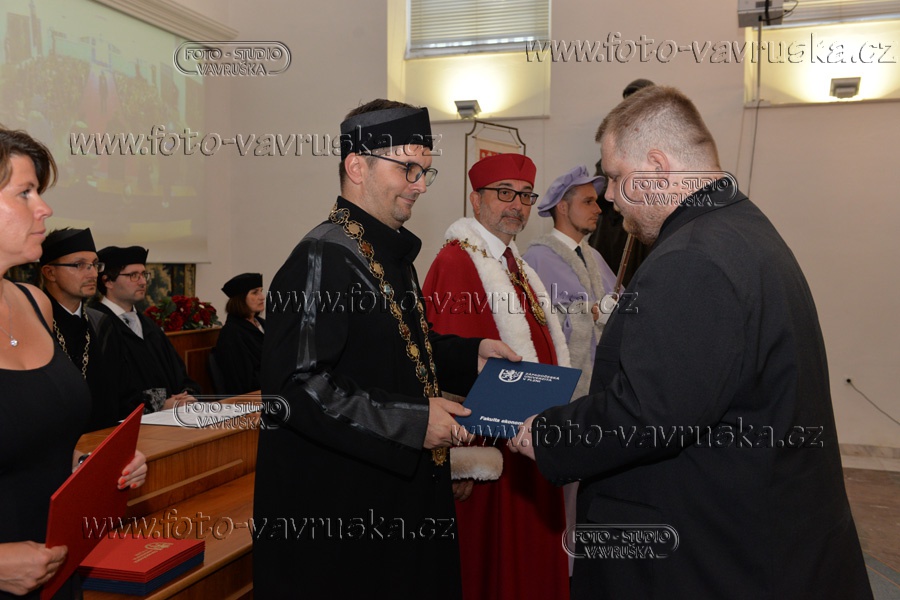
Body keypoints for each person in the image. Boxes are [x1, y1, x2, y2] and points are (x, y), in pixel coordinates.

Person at [510, 86, 874, 599]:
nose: (609, 197)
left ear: (658, 168)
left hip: (713, 553)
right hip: (760, 532)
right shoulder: (741, 227)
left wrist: (549, 435)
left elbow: (648, 412)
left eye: (616, 177)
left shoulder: (693, 258)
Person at [253, 99, 519, 600]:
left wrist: (470, 356)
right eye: (408, 169)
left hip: (397, 499)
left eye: (425, 171)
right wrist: (412, 422)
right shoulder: (322, 256)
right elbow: (296, 388)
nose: (420, 185)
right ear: (357, 166)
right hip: (344, 520)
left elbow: (398, 348)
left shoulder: (388, 252)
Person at [0, 128, 146, 599]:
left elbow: (31, 442)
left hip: (56, 568)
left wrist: (91, 469)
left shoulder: (33, 302)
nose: (44, 208)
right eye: (25, 192)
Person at [422, 153, 570, 600]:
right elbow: (442, 369)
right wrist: (459, 458)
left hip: (528, 448)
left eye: (525, 196)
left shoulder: (515, 266)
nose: (517, 205)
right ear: (476, 199)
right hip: (491, 458)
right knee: (495, 571)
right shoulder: (457, 262)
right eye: (504, 193)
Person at [523, 165, 617, 400]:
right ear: (563, 207)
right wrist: (590, 313)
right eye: (588, 202)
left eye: (596, 201)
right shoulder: (535, 259)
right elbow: (530, 325)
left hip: (600, 385)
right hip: (558, 389)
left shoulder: (594, 256)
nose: (598, 209)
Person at [40, 227, 129, 430]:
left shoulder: (102, 324)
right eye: (79, 265)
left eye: (95, 264)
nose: (93, 273)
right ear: (50, 272)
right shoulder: (34, 325)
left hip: (103, 437)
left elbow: (122, 391)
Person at [92, 245, 199, 412]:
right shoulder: (98, 326)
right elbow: (109, 390)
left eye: (144, 274)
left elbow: (179, 373)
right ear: (108, 281)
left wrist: (187, 396)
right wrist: (160, 405)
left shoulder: (149, 326)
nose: (143, 282)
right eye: (133, 275)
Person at [588, 78, 656, 288]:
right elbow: (600, 183)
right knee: (605, 282)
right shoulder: (615, 136)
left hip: (640, 226)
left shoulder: (658, 138)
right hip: (612, 226)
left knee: (637, 282)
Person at [211, 272, 265, 395]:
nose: (262, 297)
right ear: (240, 299)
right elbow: (244, 380)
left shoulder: (264, 324)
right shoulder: (232, 333)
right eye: (255, 292)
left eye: (261, 291)